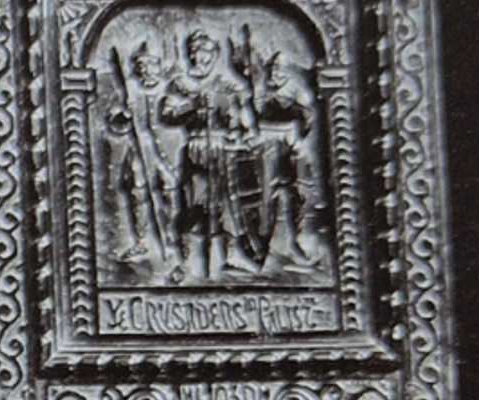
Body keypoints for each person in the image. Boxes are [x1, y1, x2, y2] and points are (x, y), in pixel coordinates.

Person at [160, 30, 260, 281]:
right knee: (194, 205)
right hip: (196, 150)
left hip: (223, 150)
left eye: (204, 51)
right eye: (194, 51)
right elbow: (167, 114)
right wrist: (192, 105)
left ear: (214, 54)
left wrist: (245, 132)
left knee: (228, 205)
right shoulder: (181, 84)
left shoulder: (229, 84)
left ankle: (231, 255)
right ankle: (186, 261)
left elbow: (245, 117)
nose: (198, 56)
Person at [105, 42, 177, 262]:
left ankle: (173, 241)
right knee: (139, 193)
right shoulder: (130, 90)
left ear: (158, 65)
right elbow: (115, 124)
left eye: (149, 64)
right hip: (139, 149)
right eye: (141, 65)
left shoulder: (169, 87)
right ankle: (142, 241)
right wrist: (123, 115)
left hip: (167, 151)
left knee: (170, 192)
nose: (145, 69)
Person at [254, 51, 322, 264]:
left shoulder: (299, 94)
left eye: (280, 69)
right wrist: (286, 129)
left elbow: (306, 124)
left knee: (295, 196)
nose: (275, 73)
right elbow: (257, 125)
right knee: (266, 198)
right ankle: (262, 245)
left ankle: (296, 242)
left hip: (291, 156)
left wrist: (293, 131)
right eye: (273, 68)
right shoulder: (263, 93)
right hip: (268, 155)